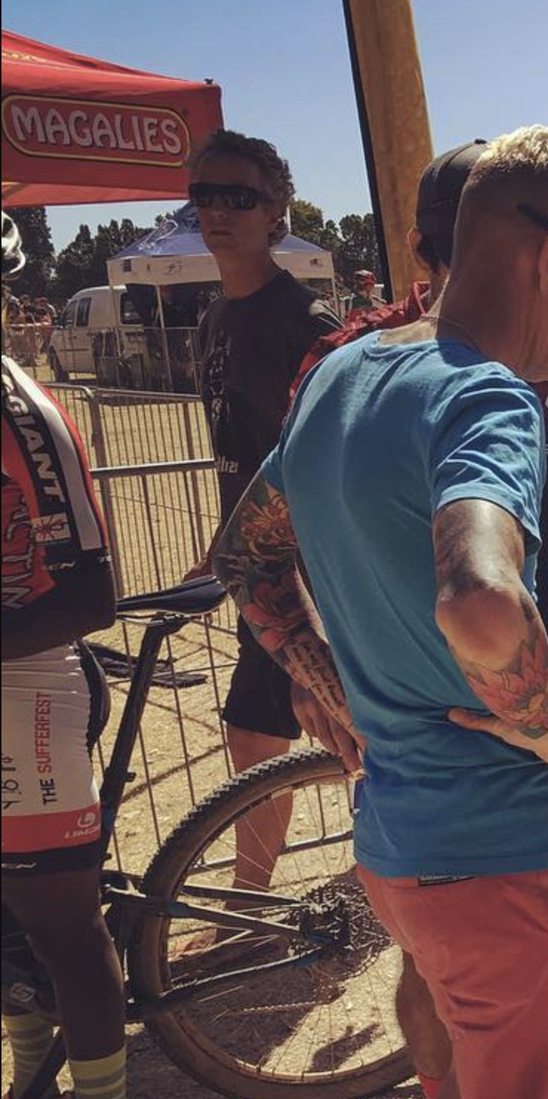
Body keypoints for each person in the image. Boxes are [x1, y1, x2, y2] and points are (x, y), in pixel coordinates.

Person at [214, 124, 548, 1099]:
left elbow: (244, 557)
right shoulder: (489, 397)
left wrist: (324, 678)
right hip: (510, 860)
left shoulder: (343, 372)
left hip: (399, 852)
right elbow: (482, 600)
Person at [183, 130, 342, 911]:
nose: (218, 210)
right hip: (257, 572)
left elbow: (325, 466)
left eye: (238, 196)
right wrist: (218, 549)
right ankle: (252, 900)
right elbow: (240, 456)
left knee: (331, 736)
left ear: (276, 209)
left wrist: (313, 593)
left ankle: (399, 884)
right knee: (257, 738)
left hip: (307, 579)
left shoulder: (304, 322)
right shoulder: (215, 319)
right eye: (205, 195)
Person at [1, 211, 126, 1099]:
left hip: (30, 685)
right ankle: (27, 1072)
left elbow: (92, 596)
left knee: (63, 930)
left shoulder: (25, 416)